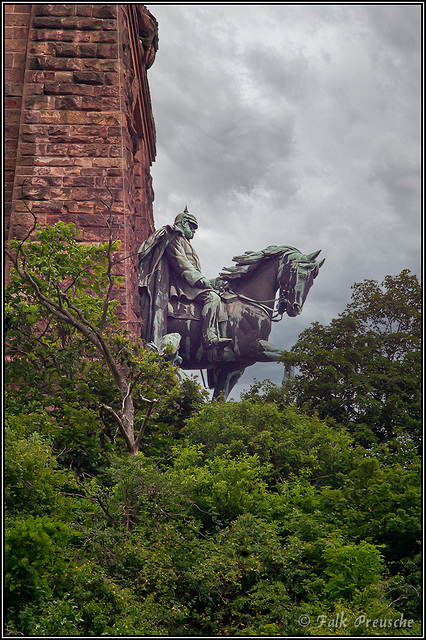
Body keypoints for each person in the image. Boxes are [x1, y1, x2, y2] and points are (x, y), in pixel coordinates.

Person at [138, 208, 232, 353]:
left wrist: (211, 282)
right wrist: (201, 280)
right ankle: (209, 337)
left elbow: (192, 269)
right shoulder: (174, 237)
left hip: (191, 282)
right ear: (183, 223)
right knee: (212, 297)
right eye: (192, 227)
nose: (194, 231)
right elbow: (182, 263)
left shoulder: (185, 242)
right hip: (182, 286)